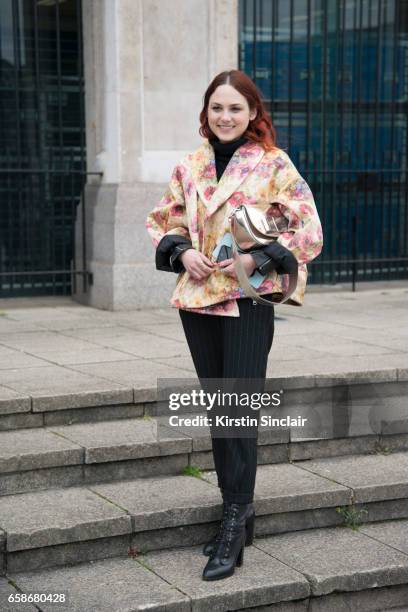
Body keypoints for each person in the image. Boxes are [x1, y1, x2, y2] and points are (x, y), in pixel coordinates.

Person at [145, 69, 323, 581]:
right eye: (217, 108)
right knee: (219, 408)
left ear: (252, 114)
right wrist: (182, 254)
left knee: (238, 409)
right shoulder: (190, 165)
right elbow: (164, 221)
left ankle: (234, 517)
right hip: (200, 300)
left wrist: (259, 259)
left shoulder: (273, 164)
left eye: (235, 109)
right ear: (207, 114)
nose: (225, 117)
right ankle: (237, 510)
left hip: (248, 299)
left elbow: (308, 226)